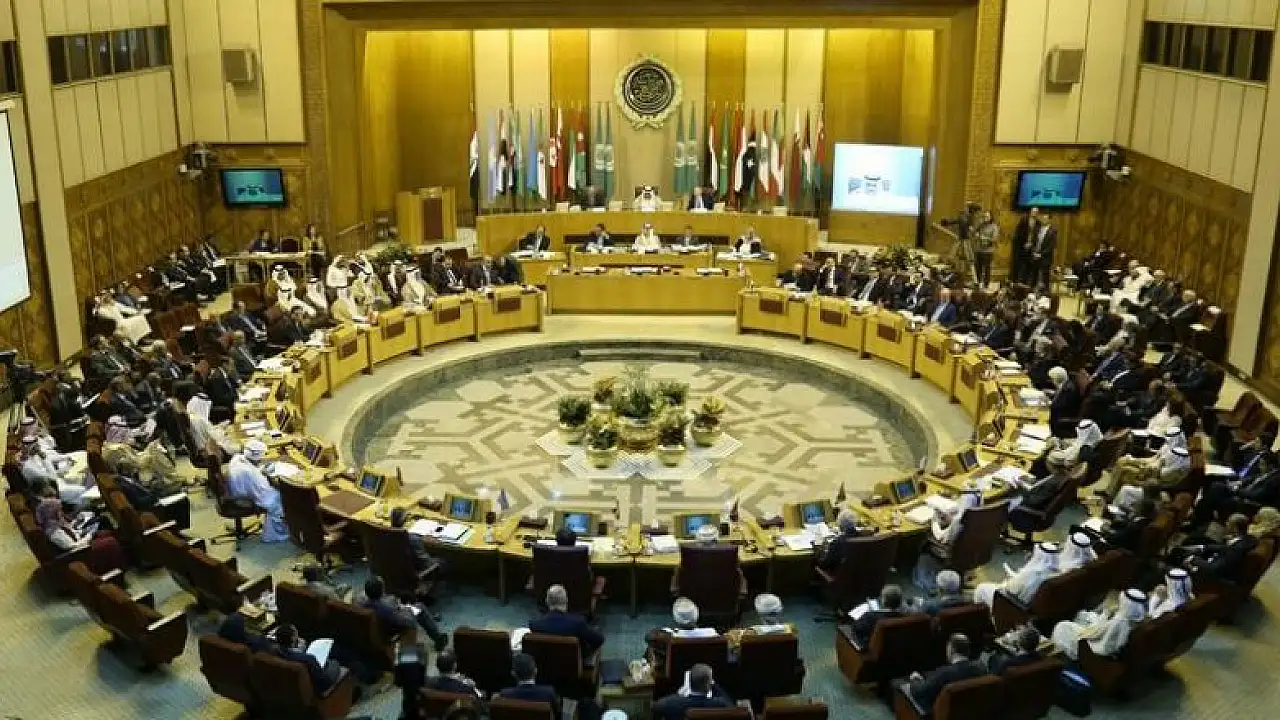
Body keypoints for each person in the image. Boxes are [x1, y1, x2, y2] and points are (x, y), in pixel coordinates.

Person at [1051, 588, 1147, 659]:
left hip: (1094, 648)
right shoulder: (1136, 618)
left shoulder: (1120, 621)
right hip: (1100, 637)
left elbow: (1098, 637)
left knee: (1062, 626)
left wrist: (1106, 614)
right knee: (1084, 616)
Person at [226, 439, 290, 543]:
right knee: (279, 500)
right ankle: (274, 535)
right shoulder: (249, 473)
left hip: (235, 492)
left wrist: (264, 469)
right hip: (242, 498)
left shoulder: (237, 458)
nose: (262, 458)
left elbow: (254, 468)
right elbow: (267, 497)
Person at [359, 576, 449, 650]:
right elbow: (407, 622)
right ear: (382, 590)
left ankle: (431, 621)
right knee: (420, 608)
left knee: (408, 603)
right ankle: (439, 639)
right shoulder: (387, 608)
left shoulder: (363, 603)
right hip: (395, 625)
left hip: (385, 621)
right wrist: (403, 609)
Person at [905, 634, 987, 710]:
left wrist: (915, 679)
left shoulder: (944, 673)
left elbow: (920, 692)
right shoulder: (981, 668)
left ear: (951, 649)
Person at [975, 542, 1061, 607]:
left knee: (981, 588)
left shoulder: (1031, 574)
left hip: (1013, 604)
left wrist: (1009, 580)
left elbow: (1010, 590)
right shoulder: (1056, 574)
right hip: (1032, 604)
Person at [529, 584, 605, 657]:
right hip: (574, 664)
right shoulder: (578, 623)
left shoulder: (535, 625)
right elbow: (599, 640)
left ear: (546, 601)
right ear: (566, 600)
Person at [20, 435, 95, 506]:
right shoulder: (29, 467)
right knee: (84, 491)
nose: (37, 446)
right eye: (34, 445)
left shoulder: (35, 457)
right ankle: (74, 511)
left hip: (57, 483)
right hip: (51, 491)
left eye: (36, 444)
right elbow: (53, 477)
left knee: (87, 475)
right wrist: (45, 459)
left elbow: (51, 459)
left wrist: (66, 459)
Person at [273, 623, 341, 694]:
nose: (298, 636)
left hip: (294, 684)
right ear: (292, 638)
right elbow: (324, 681)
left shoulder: (275, 651)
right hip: (318, 684)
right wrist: (333, 663)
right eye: (296, 634)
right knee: (334, 661)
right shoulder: (308, 658)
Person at [652, 663, 733, 720]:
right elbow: (731, 707)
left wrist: (678, 694)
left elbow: (654, 707)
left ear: (688, 682)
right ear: (709, 684)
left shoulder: (670, 703)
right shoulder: (719, 704)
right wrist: (714, 685)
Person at [496, 653, 561, 717]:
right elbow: (557, 713)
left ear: (513, 674)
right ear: (535, 671)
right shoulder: (549, 693)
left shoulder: (504, 695)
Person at [972, 210, 998, 288]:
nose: (985, 218)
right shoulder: (981, 225)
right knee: (978, 267)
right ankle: (978, 282)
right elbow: (974, 233)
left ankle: (986, 284)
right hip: (979, 250)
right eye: (984, 216)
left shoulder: (994, 226)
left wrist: (983, 238)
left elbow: (994, 239)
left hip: (988, 251)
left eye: (987, 216)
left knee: (986, 268)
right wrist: (975, 234)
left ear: (991, 217)